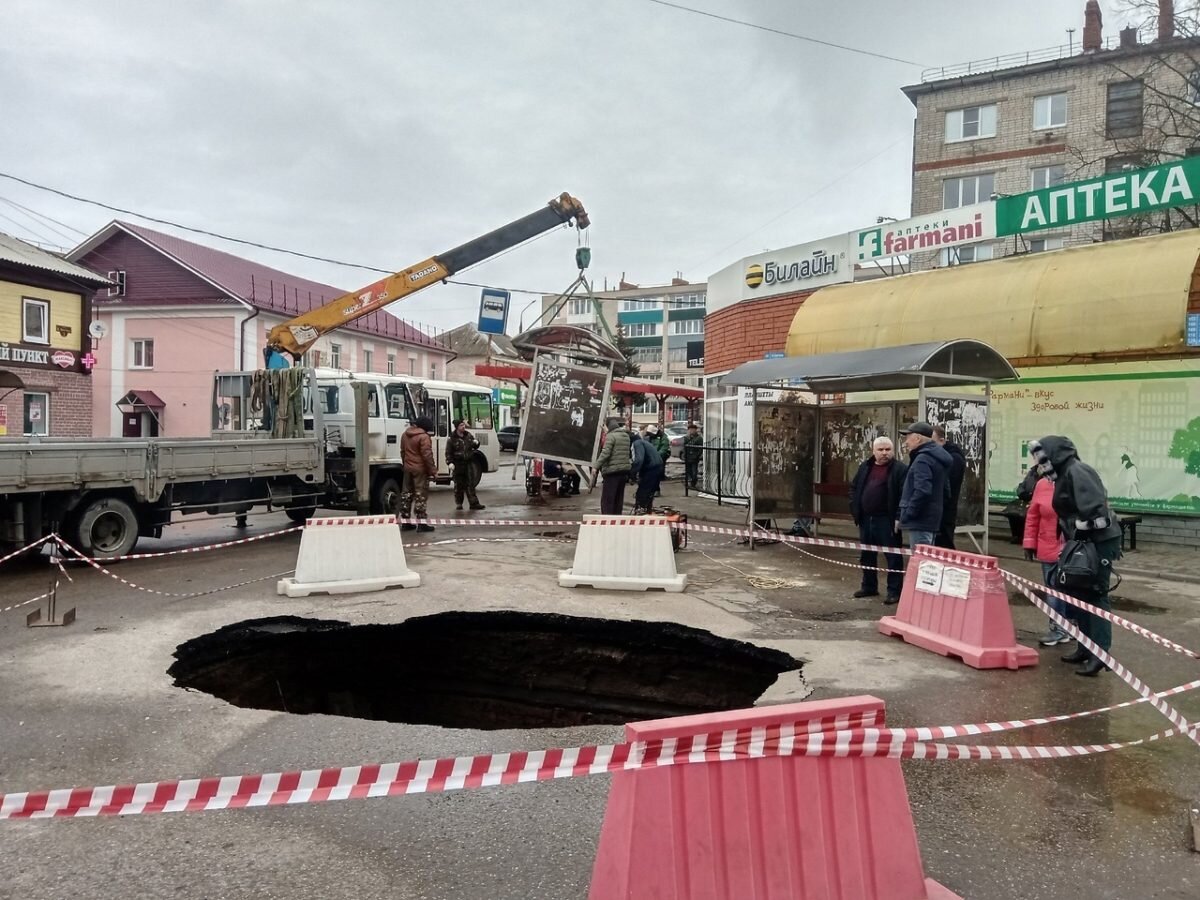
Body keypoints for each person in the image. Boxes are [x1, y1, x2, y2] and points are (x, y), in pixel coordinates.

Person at [1030, 435, 1123, 677]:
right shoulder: (1065, 473)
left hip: (1096, 543)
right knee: (1079, 595)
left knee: (1094, 596)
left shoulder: (1077, 470)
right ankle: (1085, 647)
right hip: (1083, 542)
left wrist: (1079, 540)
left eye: (1043, 458)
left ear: (1054, 455)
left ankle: (1100, 654)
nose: (1040, 464)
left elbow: (1094, 511)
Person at [848, 436, 908, 604]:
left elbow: (904, 495)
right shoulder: (865, 467)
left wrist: (898, 517)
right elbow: (854, 488)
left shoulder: (899, 469)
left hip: (886, 520)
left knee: (893, 556)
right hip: (866, 519)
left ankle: (894, 591)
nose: (884, 453)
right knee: (867, 554)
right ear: (873, 451)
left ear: (893, 450)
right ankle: (869, 586)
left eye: (887, 449)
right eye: (880, 450)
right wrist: (855, 509)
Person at [1022, 470, 1069, 647]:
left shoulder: (1075, 481)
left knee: (1072, 591)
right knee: (1053, 590)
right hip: (1048, 546)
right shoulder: (1042, 485)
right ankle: (1058, 629)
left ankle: (1070, 627)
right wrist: (1029, 543)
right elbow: (1033, 516)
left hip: (1072, 548)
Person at [897, 421, 952, 549]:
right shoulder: (937, 457)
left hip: (920, 520)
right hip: (931, 519)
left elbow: (922, 490)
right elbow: (946, 490)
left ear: (918, 438)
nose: (906, 442)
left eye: (908, 437)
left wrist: (909, 512)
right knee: (927, 562)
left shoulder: (923, 459)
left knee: (920, 562)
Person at [399, 415, 437, 532]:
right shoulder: (424, 437)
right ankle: (421, 523)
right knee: (420, 495)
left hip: (408, 468)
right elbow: (427, 455)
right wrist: (433, 470)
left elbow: (403, 452)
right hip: (420, 470)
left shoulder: (405, 435)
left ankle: (405, 521)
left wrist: (406, 464)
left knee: (406, 494)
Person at [932, 425, 966, 549]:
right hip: (938, 510)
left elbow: (946, 484)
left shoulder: (953, 458)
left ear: (941, 441)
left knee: (944, 545)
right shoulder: (942, 455)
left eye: (932, 442)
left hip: (945, 511)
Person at [447, 419, 486, 512]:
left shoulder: (468, 436)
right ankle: (459, 503)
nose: (463, 427)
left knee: (470, 483)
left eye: (463, 425)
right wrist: (450, 462)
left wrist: (476, 443)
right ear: (457, 427)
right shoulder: (452, 438)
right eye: (461, 425)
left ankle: (474, 503)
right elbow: (448, 452)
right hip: (458, 464)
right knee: (458, 485)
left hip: (468, 463)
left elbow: (474, 445)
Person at [595, 417, 631, 514]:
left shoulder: (611, 436)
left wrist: (596, 466)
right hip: (623, 471)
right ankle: (617, 518)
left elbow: (606, 453)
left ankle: (607, 518)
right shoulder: (626, 436)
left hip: (612, 471)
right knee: (618, 498)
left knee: (608, 498)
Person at [630, 428, 663, 514]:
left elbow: (639, 460)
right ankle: (647, 510)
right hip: (658, 467)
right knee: (649, 492)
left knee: (643, 492)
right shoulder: (644, 442)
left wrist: (632, 474)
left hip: (651, 469)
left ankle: (641, 511)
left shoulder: (637, 443)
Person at [683, 423, 703, 488]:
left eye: (693, 429)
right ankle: (689, 482)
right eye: (690, 430)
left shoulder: (699, 438)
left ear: (695, 430)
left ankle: (693, 482)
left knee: (694, 471)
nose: (691, 431)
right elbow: (684, 446)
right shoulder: (686, 438)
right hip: (688, 457)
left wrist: (697, 455)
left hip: (694, 458)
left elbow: (700, 448)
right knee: (688, 471)